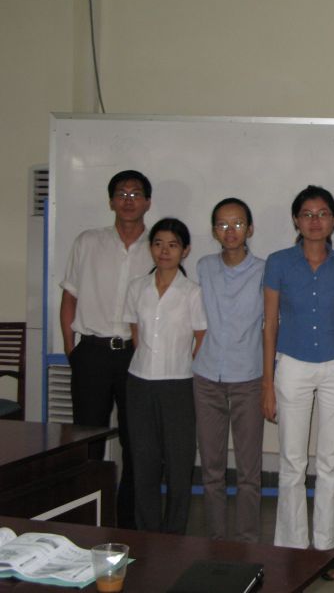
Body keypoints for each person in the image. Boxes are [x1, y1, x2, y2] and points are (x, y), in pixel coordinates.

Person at [262, 185, 334, 580]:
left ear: (333, 220)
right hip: (293, 364)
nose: (315, 221)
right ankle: (294, 549)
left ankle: (325, 550)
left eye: (323, 213)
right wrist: (267, 382)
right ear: (296, 221)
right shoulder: (278, 262)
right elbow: (270, 325)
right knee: (292, 462)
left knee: (332, 462)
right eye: (307, 214)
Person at [59, 169, 153, 529]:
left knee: (136, 442)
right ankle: (84, 516)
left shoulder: (158, 247)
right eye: (122, 193)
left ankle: (127, 520)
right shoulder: (88, 241)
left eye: (136, 193)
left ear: (147, 201)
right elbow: (69, 297)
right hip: (92, 353)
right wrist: (72, 350)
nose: (129, 199)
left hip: (135, 356)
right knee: (87, 439)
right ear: (111, 200)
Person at [124, 217, 206, 534]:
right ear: (150, 248)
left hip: (179, 385)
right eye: (158, 243)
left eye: (172, 245)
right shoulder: (137, 288)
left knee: (178, 463)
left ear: (185, 250)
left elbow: (201, 338)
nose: (164, 251)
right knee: (143, 462)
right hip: (140, 382)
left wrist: (177, 364)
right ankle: (146, 533)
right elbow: (135, 332)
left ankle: (173, 535)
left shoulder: (192, 292)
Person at [192, 198, 266, 542]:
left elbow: (271, 325)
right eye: (223, 224)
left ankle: (248, 539)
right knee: (211, 469)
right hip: (206, 377)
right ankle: (216, 540)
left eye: (238, 223)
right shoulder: (203, 266)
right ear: (213, 231)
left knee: (249, 471)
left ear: (249, 229)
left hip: (248, 378)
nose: (230, 231)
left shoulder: (265, 271)